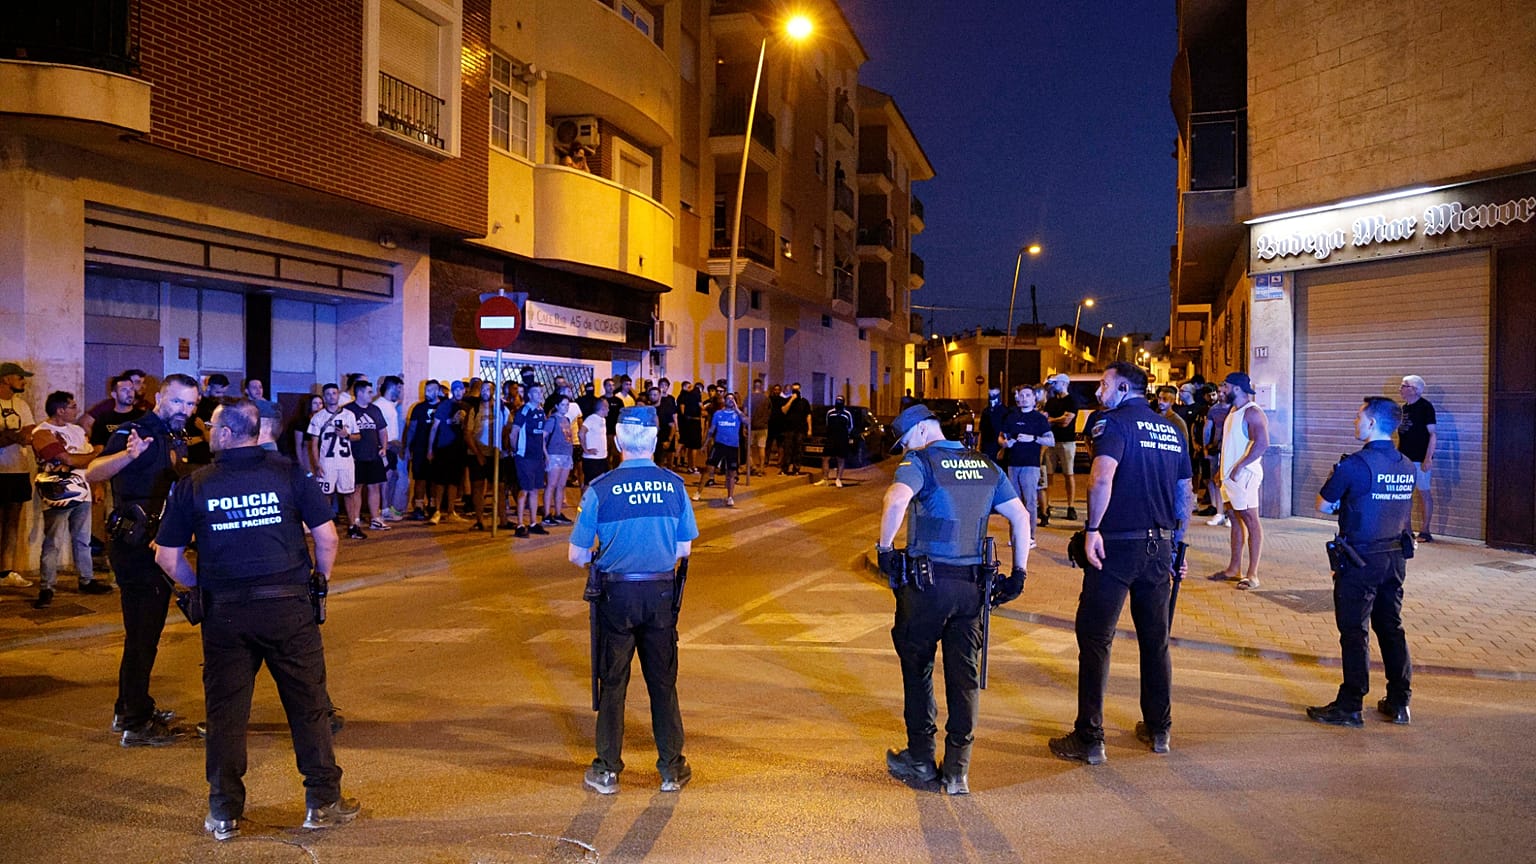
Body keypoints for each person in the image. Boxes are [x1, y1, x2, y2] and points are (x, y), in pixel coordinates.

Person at [153, 399, 358, 841]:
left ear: (226, 434)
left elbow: (167, 557)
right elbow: (328, 537)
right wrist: (319, 581)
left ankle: (224, 811)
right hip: (288, 608)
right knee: (308, 706)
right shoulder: (290, 474)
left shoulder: (193, 485)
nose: (205, 430)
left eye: (210, 425)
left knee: (226, 714)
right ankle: (323, 803)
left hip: (225, 613)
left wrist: (197, 588)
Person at [876, 403, 1032, 795]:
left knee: (918, 668)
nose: (906, 448)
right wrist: (1019, 574)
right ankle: (958, 770)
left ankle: (921, 758)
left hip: (927, 586)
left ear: (924, 430)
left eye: (907, 439)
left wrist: (884, 548)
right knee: (964, 678)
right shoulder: (984, 464)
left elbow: (895, 500)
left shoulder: (921, 463)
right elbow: (1021, 517)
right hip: (972, 588)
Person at [1048, 362, 1191, 765]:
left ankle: (1090, 737)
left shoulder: (1111, 424)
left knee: (1095, 638)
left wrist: (1092, 528)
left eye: (1105, 384)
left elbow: (1100, 478)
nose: (1098, 392)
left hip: (1117, 546)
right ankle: (1159, 729)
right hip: (1160, 547)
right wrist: (1179, 546)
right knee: (1155, 639)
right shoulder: (1173, 430)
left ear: (1125, 387)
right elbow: (1184, 491)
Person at [569, 405, 697, 795]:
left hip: (616, 595)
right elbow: (684, 547)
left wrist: (604, 558)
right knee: (662, 682)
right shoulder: (673, 485)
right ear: (655, 441)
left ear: (618, 440)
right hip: (659, 593)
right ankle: (671, 769)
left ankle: (607, 770)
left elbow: (575, 555)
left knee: (613, 683)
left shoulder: (600, 489)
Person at [84, 373, 201, 745]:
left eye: (192, 403)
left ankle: (130, 707)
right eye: (179, 401)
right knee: (143, 633)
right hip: (135, 545)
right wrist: (128, 454)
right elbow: (93, 471)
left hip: (157, 543)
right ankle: (135, 722)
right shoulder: (134, 430)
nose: (186, 409)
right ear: (160, 398)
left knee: (144, 632)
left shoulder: (175, 436)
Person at [1308, 396, 1416, 729]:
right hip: (1394, 558)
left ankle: (1351, 705)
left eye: (1359, 417)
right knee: (1391, 627)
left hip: (1360, 559)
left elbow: (1323, 506)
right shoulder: (1406, 464)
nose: (1355, 422)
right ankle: (1399, 702)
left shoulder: (1353, 465)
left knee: (1355, 631)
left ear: (1372, 423)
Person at [31, 390, 108, 606]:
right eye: (72, 406)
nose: (76, 410)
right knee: (53, 540)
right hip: (59, 493)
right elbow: (67, 459)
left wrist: (97, 484)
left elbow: (84, 461)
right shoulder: (42, 432)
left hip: (82, 490)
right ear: (60, 410)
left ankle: (87, 579)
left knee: (83, 539)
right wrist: (95, 454)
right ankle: (47, 586)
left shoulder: (76, 430)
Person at [1211, 372, 1269, 590]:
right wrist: (1221, 471)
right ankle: (1233, 569)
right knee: (1235, 520)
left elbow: (1262, 443)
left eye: (1224, 386)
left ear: (1236, 388)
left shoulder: (1252, 412)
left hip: (1244, 476)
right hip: (1230, 477)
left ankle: (1252, 574)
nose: (1221, 390)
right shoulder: (1232, 412)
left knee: (1251, 521)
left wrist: (1240, 466)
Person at [307, 384, 365, 540]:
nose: (332, 396)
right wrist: (317, 463)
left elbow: (358, 436)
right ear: (324, 397)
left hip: (346, 461)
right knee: (326, 494)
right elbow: (313, 443)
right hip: (327, 461)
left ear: (338, 395)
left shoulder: (349, 415)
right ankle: (325, 526)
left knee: (349, 493)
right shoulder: (318, 417)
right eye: (328, 394)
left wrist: (347, 435)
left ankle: (353, 525)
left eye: (334, 393)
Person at [998, 384, 1054, 545]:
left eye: (1027, 395)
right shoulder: (1012, 417)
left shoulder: (1039, 419)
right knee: (1013, 502)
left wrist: (1033, 439)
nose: (1024, 398)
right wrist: (1005, 443)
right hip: (1013, 464)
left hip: (1031, 465)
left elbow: (1051, 440)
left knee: (1029, 501)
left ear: (1034, 398)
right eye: (1021, 395)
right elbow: (1001, 437)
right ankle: (1015, 536)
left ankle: (1029, 537)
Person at [0, 362, 38, 589]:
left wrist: (9, 436)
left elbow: (30, 433)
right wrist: (15, 436)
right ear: (6, 379)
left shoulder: (22, 405)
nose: (24, 381)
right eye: (19, 377)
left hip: (18, 470)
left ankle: (6, 571)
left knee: (12, 522)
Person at [343, 380, 390, 532]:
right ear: (360, 393)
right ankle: (355, 519)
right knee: (356, 488)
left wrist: (383, 447)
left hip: (373, 455)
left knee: (374, 486)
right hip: (355, 457)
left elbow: (382, 430)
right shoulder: (347, 410)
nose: (372, 395)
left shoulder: (375, 410)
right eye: (369, 392)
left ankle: (375, 519)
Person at [1396, 375, 1437, 542]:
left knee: (1423, 493)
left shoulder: (1425, 407)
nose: (1401, 389)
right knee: (1405, 494)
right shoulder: (1403, 408)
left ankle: (1425, 530)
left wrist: (1428, 458)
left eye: (1404, 386)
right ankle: (1407, 530)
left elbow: (1432, 435)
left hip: (1420, 458)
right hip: (1404, 458)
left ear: (1414, 389)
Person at [510, 383, 548, 538]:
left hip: (537, 456)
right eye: (536, 392)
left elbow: (541, 436)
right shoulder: (524, 411)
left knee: (535, 490)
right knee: (524, 490)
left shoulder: (541, 411)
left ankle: (533, 522)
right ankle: (520, 524)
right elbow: (514, 433)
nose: (540, 395)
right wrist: (515, 450)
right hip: (524, 456)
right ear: (530, 395)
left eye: (541, 392)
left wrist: (545, 454)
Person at [465, 380, 504, 532]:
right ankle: (479, 520)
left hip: (496, 453)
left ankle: (503, 519)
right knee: (478, 486)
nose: (486, 392)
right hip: (477, 453)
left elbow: (507, 427)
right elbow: (467, 434)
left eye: (489, 389)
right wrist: (478, 454)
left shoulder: (500, 408)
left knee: (500, 487)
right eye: (483, 389)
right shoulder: (474, 409)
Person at [694, 391, 743, 506]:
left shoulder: (738, 415)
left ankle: (730, 497)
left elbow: (747, 421)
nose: (730, 401)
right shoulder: (718, 414)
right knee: (709, 469)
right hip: (719, 445)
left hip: (733, 446)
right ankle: (698, 492)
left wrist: (737, 408)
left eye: (732, 399)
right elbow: (711, 430)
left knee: (731, 472)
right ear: (724, 401)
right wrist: (705, 444)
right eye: (728, 399)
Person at [404, 380, 444, 520]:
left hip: (438, 449)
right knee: (419, 478)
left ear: (437, 391)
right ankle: (419, 506)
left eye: (431, 390)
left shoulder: (443, 407)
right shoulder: (418, 408)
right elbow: (412, 428)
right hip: (420, 448)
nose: (427, 393)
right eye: (426, 390)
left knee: (434, 478)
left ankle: (433, 505)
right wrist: (408, 447)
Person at [1042, 374, 1079, 523]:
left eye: (1056, 382)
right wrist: (1058, 419)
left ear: (1064, 383)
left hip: (1067, 442)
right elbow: (1047, 420)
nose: (1053, 385)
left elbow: (1067, 421)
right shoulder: (1051, 401)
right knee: (1048, 475)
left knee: (1068, 474)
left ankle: (1071, 506)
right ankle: (1047, 504)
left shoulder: (1071, 401)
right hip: (1051, 442)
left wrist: (1052, 420)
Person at [376, 376, 407, 520]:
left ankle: (388, 507)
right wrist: (385, 445)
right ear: (392, 388)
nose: (401, 392)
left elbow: (399, 400)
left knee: (393, 476)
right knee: (386, 479)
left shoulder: (389, 405)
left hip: (393, 448)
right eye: (399, 389)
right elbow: (377, 429)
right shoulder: (379, 406)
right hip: (385, 448)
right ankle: (384, 510)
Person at [542, 391, 576, 525]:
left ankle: (558, 512)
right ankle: (546, 514)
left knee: (561, 486)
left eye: (567, 405)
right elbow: (543, 438)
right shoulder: (553, 420)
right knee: (551, 485)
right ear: (557, 405)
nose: (566, 407)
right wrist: (546, 455)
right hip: (554, 455)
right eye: (563, 405)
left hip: (566, 455)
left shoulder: (566, 420)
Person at [1200, 385, 1230, 525]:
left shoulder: (1234, 408)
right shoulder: (1214, 409)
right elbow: (1207, 429)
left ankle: (1229, 514)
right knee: (1215, 480)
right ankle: (1219, 512)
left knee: (1228, 481)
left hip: (1229, 448)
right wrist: (1206, 447)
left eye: (1223, 392)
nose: (1221, 394)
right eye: (1219, 392)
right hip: (1216, 448)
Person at [186, 373, 230, 465]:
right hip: (198, 453)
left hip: (215, 453)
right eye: (217, 392)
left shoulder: (221, 406)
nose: (220, 396)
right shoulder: (196, 405)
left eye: (223, 392)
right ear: (209, 387)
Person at [816, 396, 856, 488]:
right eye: (837, 400)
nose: (838, 402)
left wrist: (845, 436)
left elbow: (851, 427)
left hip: (842, 439)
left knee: (840, 459)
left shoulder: (847, 414)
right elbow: (827, 424)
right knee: (825, 458)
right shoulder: (830, 412)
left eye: (840, 400)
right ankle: (825, 479)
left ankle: (838, 479)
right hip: (831, 438)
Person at [779, 383, 810, 476]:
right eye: (794, 390)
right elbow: (783, 410)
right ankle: (784, 468)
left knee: (798, 449)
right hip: (789, 429)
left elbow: (808, 415)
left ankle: (796, 468)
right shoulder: (788, 400)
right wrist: (792, 399)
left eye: (797, 390)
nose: (796, 392)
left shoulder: (804, 402)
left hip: (800, 429)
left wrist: (809, 429)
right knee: (787, 449)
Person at [580, 398, 610, 490]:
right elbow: (581, 433)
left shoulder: (602, 419)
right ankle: (584, 504)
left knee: (601, 482)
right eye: (607, 407)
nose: (609, 410)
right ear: (603, 408)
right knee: (589, 483)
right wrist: (585, 449)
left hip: (602, 457)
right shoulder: (591, 418)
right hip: (592, 459)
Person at [676, 380, 702, 473]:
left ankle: (689, 465)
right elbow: (701, 407)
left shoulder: (684, 396)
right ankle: (693, 466)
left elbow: (682, 409)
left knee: (688, 445)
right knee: (693, 446)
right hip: (694, 422)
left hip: (687, 422)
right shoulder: (695, 395)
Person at [978, 387, 1007, 463]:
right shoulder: (986, 412)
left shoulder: (1005, 412)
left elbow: (1007, 434)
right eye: (990, 394)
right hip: (986, 448)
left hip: (998, 448)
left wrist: (1003, 450)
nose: (991, 397)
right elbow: (981, 430)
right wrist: (978, 447)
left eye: (994, 394)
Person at [747, 379, 769, 473]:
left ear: (753, 386)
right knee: (762, 447)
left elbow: (745, 412)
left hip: (751, 426)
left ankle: (752, 466)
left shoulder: (749, 397)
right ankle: (761, 468)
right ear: (761, 387)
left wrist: (745, 426)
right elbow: (769, 412)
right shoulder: (766, 398)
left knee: (749, 447)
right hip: (763, 427)